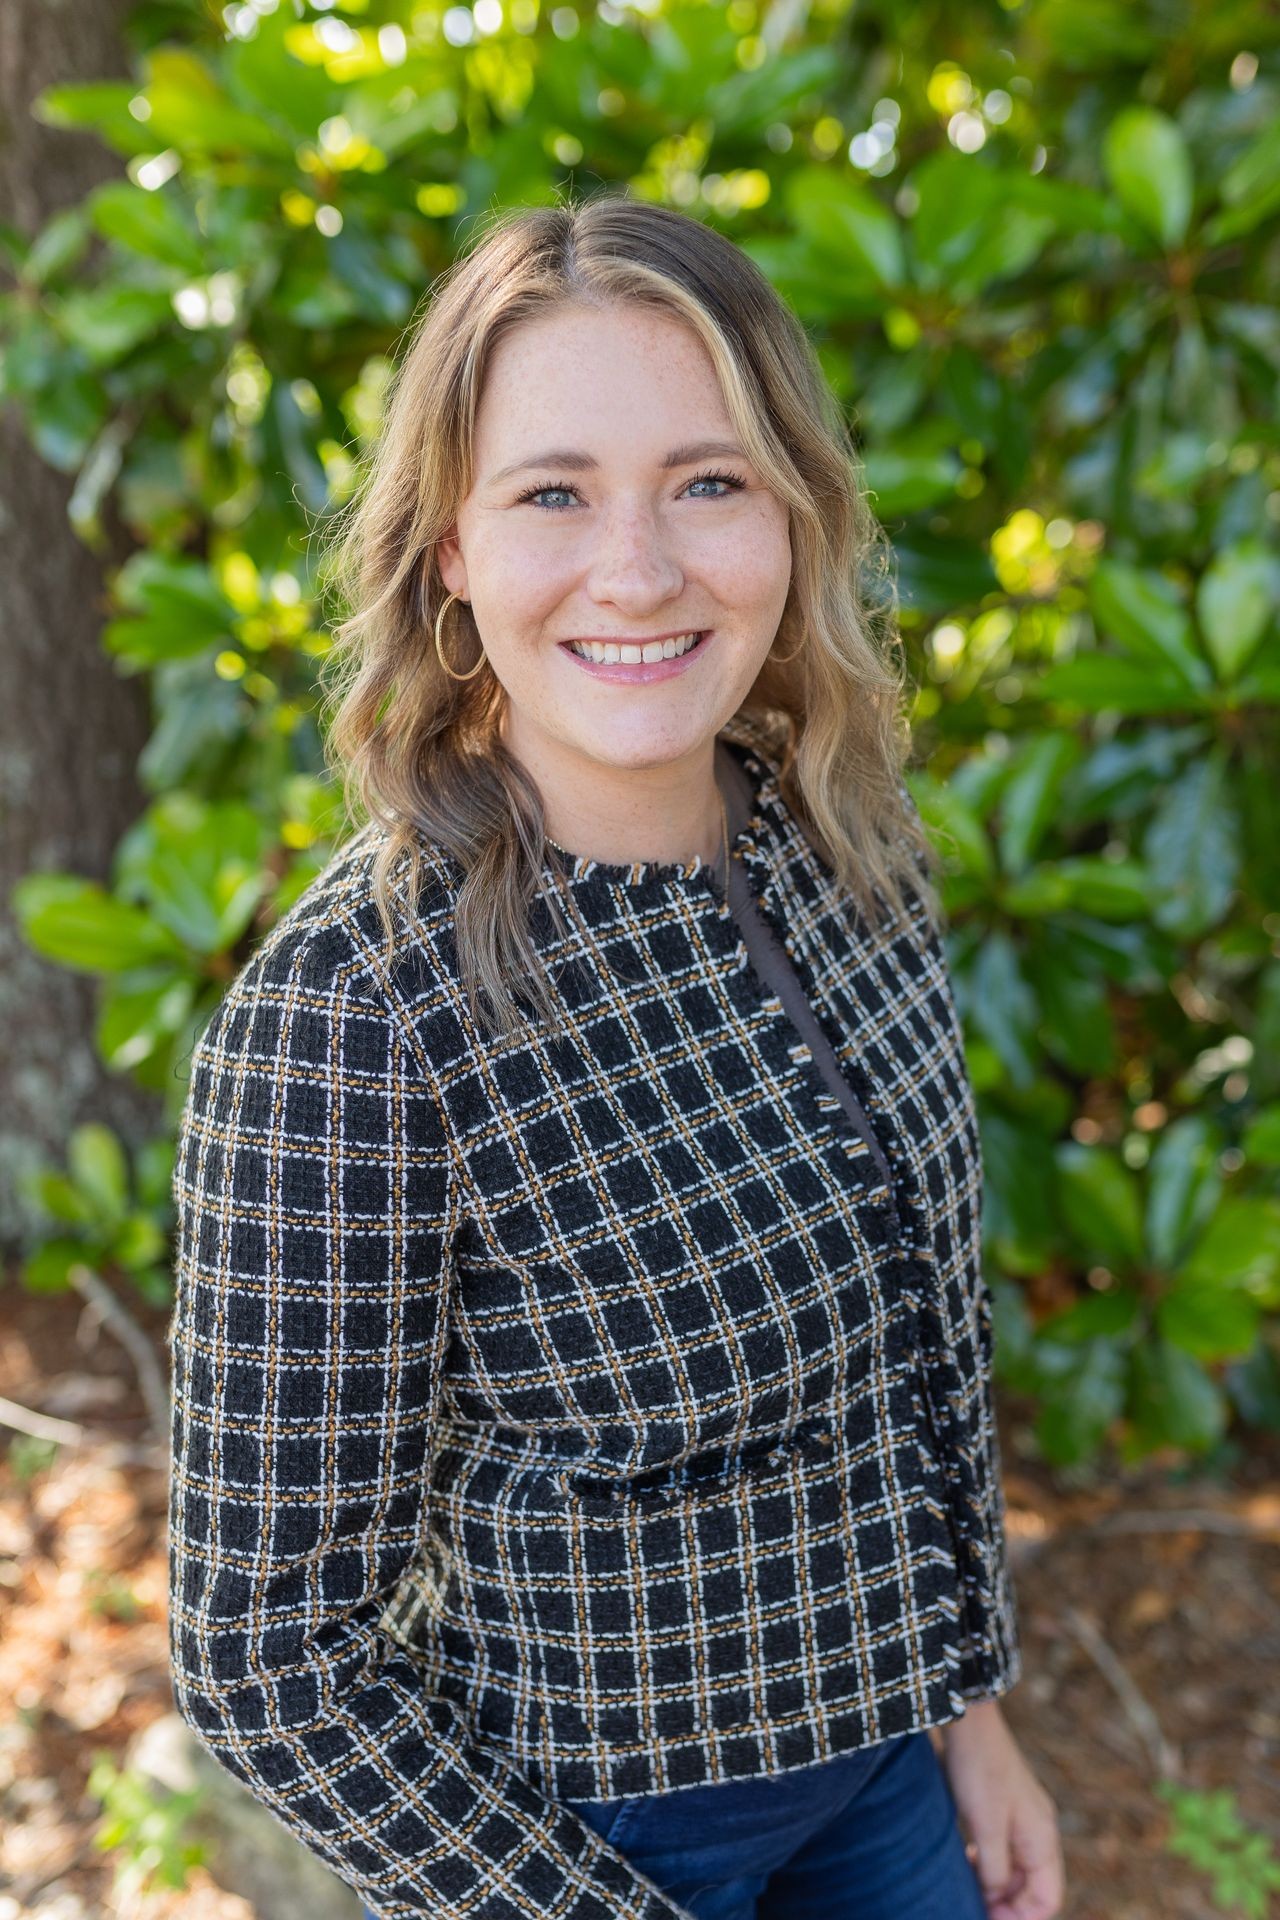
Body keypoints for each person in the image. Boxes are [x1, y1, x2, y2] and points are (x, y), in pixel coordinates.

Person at [167, 190, 1064, 1920]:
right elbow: (267, 1660)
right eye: (553, 493)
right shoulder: (350, 1019)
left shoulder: (846, 847)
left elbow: (914, 1348)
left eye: (708, 482)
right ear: (451, 548)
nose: (638, 570)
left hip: (882, 1770)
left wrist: (972, 1714)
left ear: (794, 515)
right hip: (583, 1843)